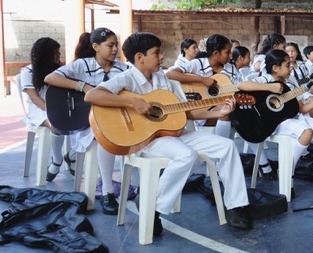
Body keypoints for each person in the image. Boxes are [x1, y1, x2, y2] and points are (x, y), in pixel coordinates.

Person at [84, 32, 252, 235]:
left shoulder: (164, 80)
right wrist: (132, 101)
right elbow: (92, 95)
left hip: (178, 133)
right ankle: (153, 208)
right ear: (139, 57)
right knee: (186, 155)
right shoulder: (126, 79)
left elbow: (185, 111)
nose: (162, 57)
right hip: (147, 139)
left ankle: (235, 206)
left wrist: (219, 111)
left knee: (227, 146)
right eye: (156, 53)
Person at [44, 27, 130, 214]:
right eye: (110, 45)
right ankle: (108, 192)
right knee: (103, 136)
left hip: (116, 120)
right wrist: (82, 86)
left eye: (116, 45)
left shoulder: (124, 69)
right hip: (86, 122)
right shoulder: (82, 65)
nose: (115, 49)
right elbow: (50, 78)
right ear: (95, 46)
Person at [246, 49, 313, 187]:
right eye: (287, 65)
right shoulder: (263, 79)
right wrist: (270, 88)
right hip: (273, 122)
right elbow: (241, 85)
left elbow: (302, 109)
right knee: (306, 132)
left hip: (294, 119)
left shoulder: (291, 83)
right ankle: (288, 170)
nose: (290, 67)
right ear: (275, 68)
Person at [166, 33, 242, 138]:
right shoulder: (197, 64)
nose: (230, 55)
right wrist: (201, 79)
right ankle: (222, 147)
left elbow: (237, 88)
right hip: (198, 111)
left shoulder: (231, 69)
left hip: (221, 108)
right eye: (227, 52)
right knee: (225, 111)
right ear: (216, 53)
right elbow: (170, 74)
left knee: (236, 112)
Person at [20, 37, 69, 180]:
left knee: (79, 121)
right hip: (38, 109)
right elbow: (35, 99)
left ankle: (71, 157)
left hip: (57, 107)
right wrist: (53, 111)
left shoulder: (58, 71)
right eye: (56, 53)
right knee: (55, 123)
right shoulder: (28, 72)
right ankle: (57, 160)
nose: (59, 56)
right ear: (46, 55)